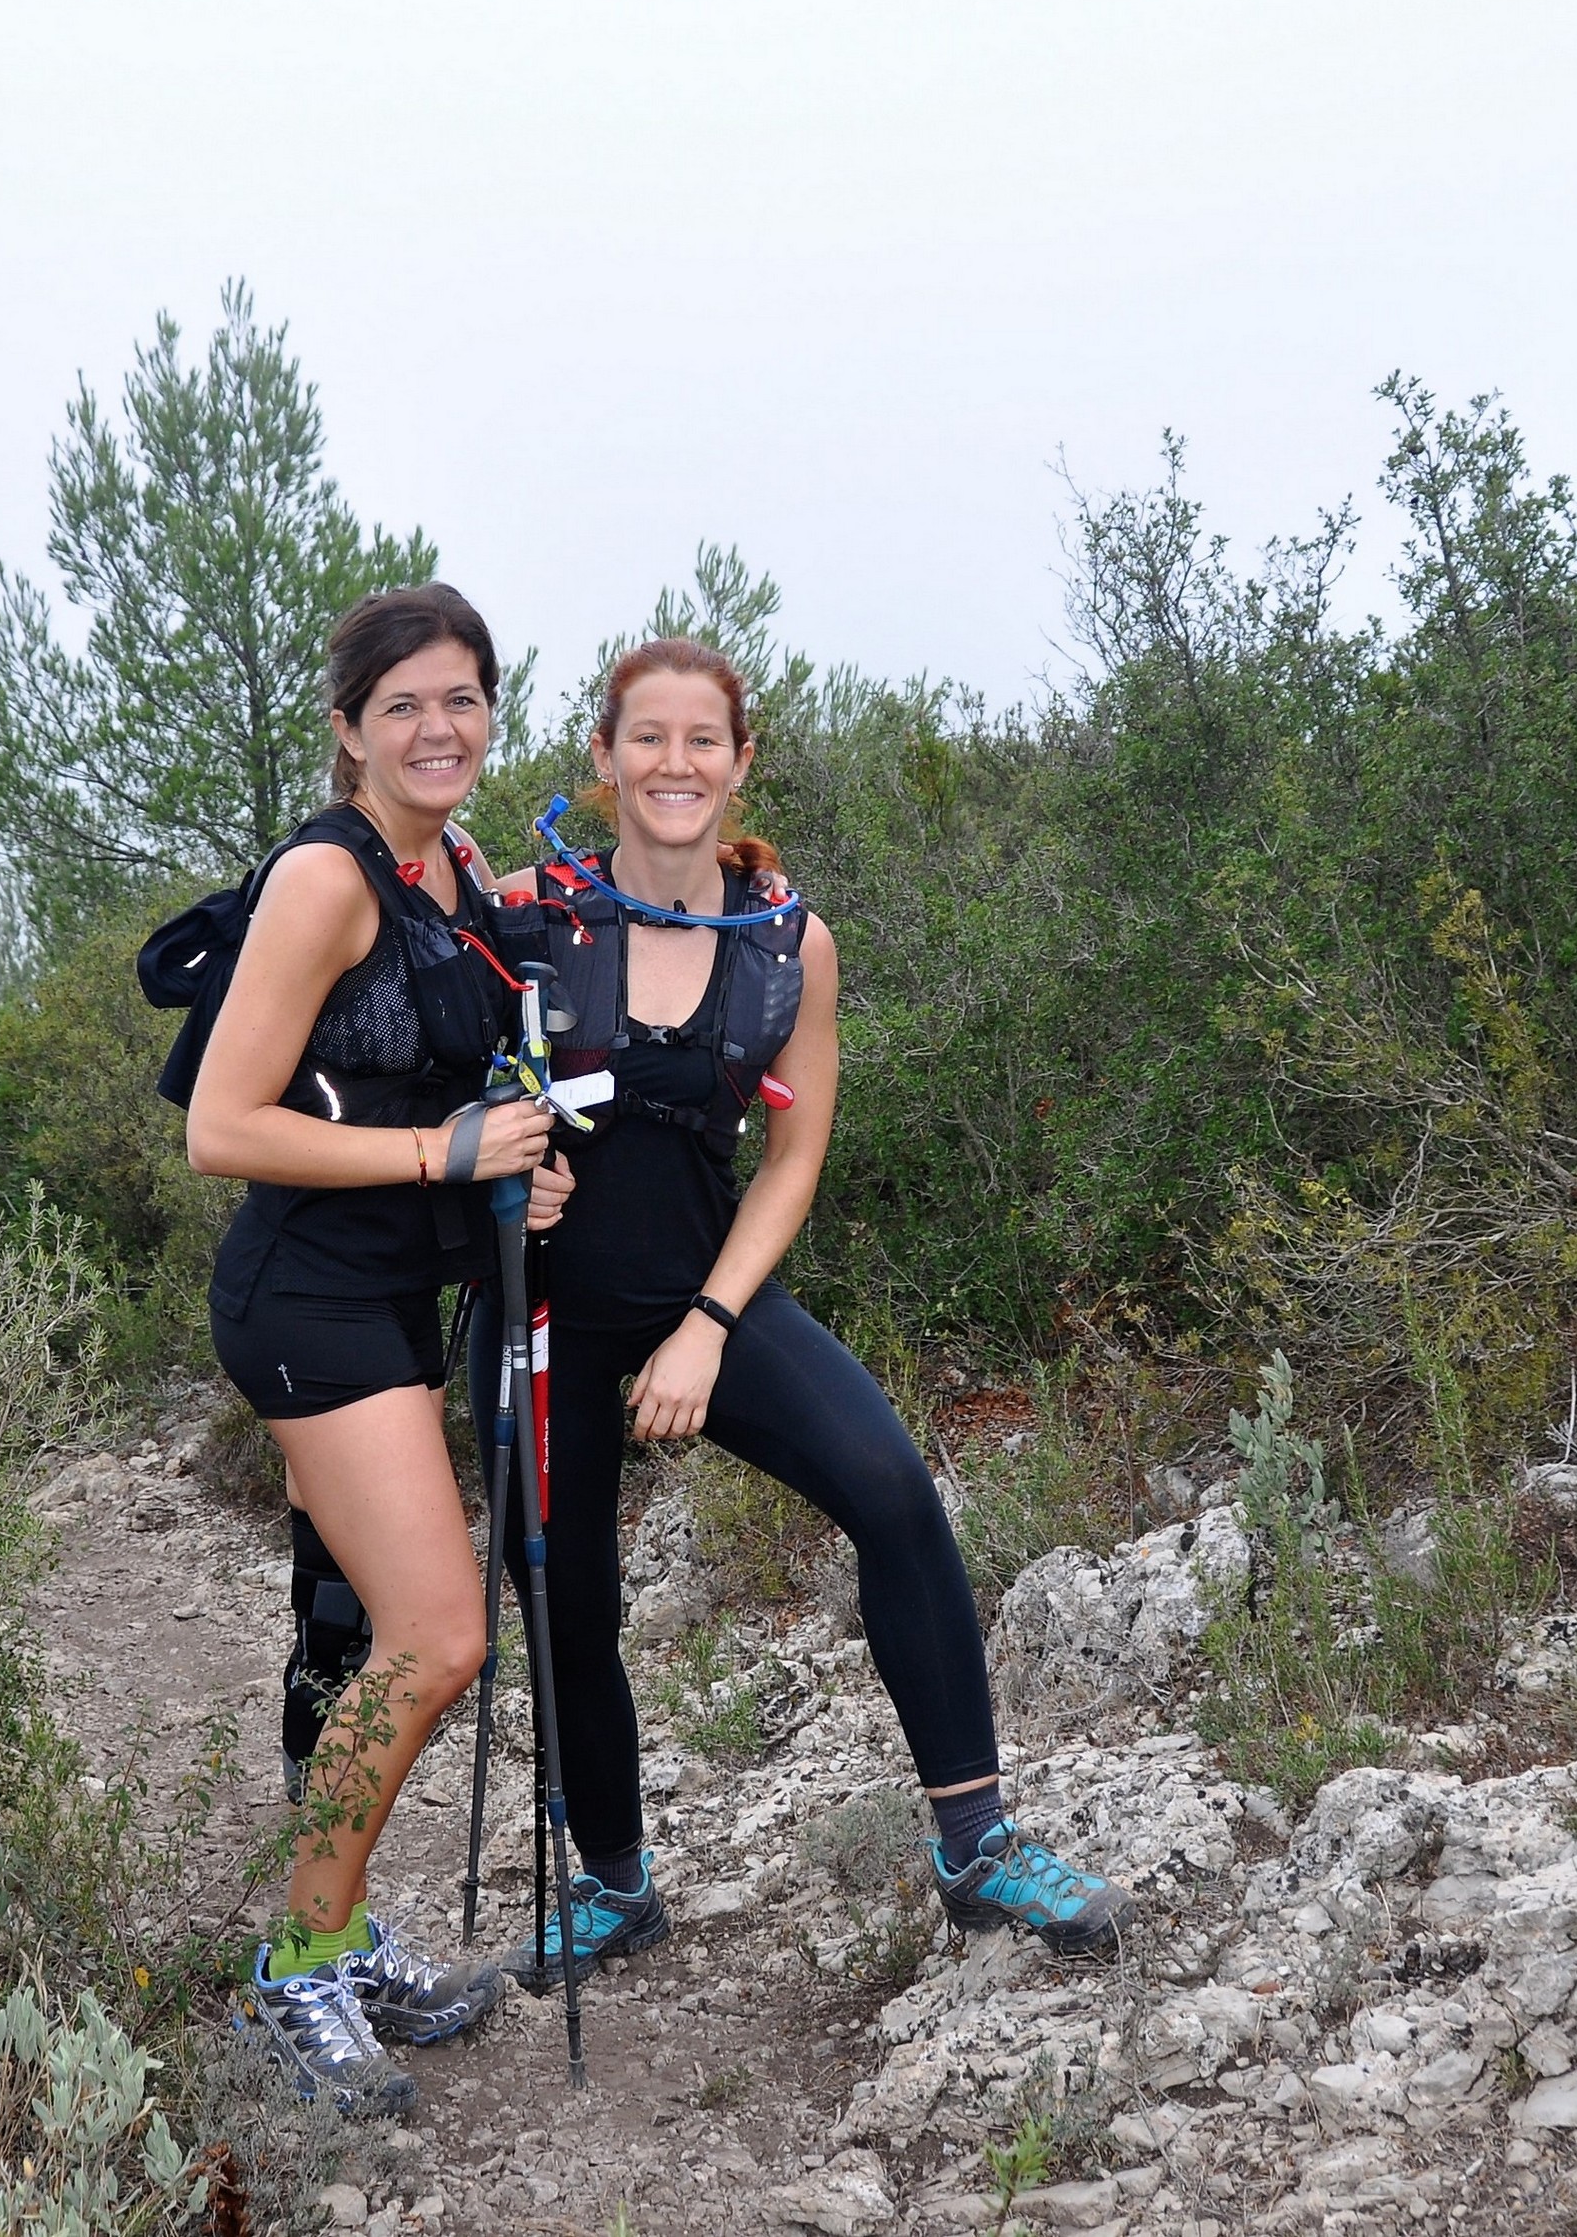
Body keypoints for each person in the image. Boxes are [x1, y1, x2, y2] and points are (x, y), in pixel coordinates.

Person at [490, 636, 1129, 1990]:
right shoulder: (526, 915)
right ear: (601, 757)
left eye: (701, 740)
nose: (673, 764)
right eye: (646, 737)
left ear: (740, 761)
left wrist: (707, 1326)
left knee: (893, 1493)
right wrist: (497, 1167)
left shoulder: (789, 943)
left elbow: (792, 1161)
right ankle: (614, 1883)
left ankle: (975, 1845)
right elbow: (442, 1092)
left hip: (705, 1294)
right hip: (543, 1314)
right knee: (565, 1596)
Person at [184, 582, 551, 2120]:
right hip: (307, 1298)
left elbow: (438, 1077)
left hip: (392, 1298)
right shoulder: (326, 880)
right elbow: (222, 1126)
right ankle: (293, 1971)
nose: (436, 727)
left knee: (357, 1636)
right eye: (402, 704)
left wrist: (511, 1166)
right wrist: (442, 1156)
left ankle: (332, 1936)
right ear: (347, 729)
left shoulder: (452, 867)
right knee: (438, 1636)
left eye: (460, 698)